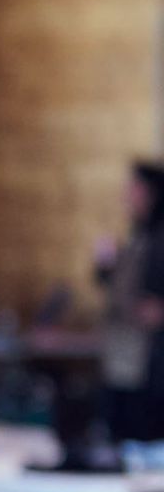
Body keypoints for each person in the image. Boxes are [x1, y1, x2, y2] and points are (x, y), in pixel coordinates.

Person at [94, 161, 164, 444]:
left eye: (133, 188)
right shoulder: (138, 236)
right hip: (126, 354)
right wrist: (106, 268)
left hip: (151, 360)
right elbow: (122, 290)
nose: (126, 194)